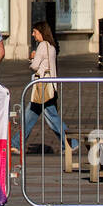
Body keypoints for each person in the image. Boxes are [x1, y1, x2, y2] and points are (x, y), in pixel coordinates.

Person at [25, 21, 71, 152]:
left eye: (35, 32)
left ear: (41, 32)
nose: (33, 35)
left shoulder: (42, 46)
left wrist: (32, 58)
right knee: (30, 116)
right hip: (50, 85)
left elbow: (34, 66)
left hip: (42, 86)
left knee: (52, 118)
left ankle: (71, 142)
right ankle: (16, 143)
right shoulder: (51, 46)